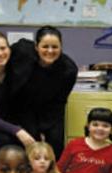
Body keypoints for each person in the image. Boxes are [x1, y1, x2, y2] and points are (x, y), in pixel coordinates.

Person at [6, 26, 78, 157]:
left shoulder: (69, 70)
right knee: (31, 143)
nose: (50, 51)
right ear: (36, 47)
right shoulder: (22, 50)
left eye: (55, 47)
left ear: (61, 47)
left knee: (55, 144)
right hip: (20, 106)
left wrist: (45, 129)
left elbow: (59, 103)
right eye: (45, 46)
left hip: (50, 110)